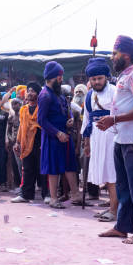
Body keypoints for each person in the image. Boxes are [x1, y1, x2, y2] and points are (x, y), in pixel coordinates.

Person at [97, 35, 133, 244]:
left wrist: (113, 119)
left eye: (115, 53)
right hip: (122, 138)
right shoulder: (124, 76)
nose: (112, 57)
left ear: (126, 55)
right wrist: (112, 121)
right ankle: (122, 227)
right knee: (123, 187)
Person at [38, 61, 81, 209]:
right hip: (53, 137)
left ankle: (75, 195)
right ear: (51, 78)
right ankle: (53, 199)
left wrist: (68, 121)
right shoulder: (44, 95)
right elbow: (41, 120)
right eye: (59, 77)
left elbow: (65, 110)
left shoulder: (59, 94)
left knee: (70, 164)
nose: (61, 79)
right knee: (53, 168)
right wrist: (57, 133)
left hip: (65, 134)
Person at [80, 58, 118, 222]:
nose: (96, 82)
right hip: (96, 138)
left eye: (99, 78)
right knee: (104, 173)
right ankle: (111, 207)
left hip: (112, 136)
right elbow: (86, 120)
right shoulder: (89, 96)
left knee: (112, 174)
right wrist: (87, 142)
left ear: (106, 77)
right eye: (93, 79)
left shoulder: (115, 91)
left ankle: (115, 211)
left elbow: (120, 114)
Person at [11, 82, 47, 203]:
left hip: (40, 142)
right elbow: (22, 127)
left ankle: (47, 194)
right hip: (27, 143)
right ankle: (26, 195)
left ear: (38, 93)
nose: (30, 93)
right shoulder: (23, 109)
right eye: (28, 91)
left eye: (33, 91)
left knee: (42, 169)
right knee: (27, 169)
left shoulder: (42, 107)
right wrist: (17, 142)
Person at [6, 98, 22, 191]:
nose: (14, 106)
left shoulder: (23, 115)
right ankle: (18, 185)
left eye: (16, 103)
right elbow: (8, 130)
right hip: (14, 144)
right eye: (12, 104)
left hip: (23, 143)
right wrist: (11, 139)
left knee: (23, 166)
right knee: (16, 165)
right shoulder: (11, 117)